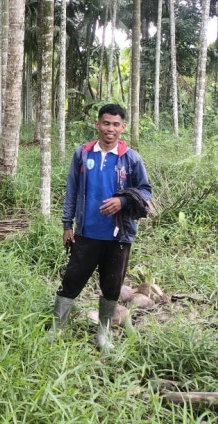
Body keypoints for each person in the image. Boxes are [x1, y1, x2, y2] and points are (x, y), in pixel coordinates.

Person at [51, 103, 152, 349]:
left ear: (123, 127)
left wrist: (122, 201)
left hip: (119, 236)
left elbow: (145, 190)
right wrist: (67, 224)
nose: (110, 129)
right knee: (71, 280)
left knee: (111, 286)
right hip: (87, 232)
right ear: (97, 124)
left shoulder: (131, 158)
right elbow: (72, 191)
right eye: (106, 123)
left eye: (116, 124)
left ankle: (103, 334)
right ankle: (57, 328)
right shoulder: (83, 154)